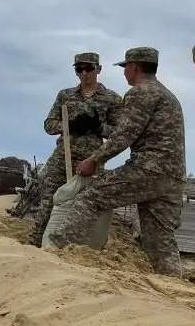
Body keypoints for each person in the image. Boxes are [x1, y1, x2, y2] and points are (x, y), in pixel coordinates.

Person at [48, 47, 186, 275]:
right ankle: (172, 289)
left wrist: (93, 159)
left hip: (148, 169)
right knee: (160, 241)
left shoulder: (141, 92)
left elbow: (124, 135)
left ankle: (57, 252)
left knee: (90, 197)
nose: (124, 73)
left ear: (135, 67)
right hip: (173, 178)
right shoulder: (168, 96)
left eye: (125, 67)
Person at [29, 53, 122, 246]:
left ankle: (77, 247)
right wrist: (69, 125)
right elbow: (48, 125)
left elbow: (120, 132)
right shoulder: (66, 95)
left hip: (92, 159)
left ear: (98, 69)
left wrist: (98, 128)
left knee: (85, 203)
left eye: (89, 68)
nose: (84, 73)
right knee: (49, 199)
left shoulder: (111, 99)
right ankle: (36, 243)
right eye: (79, 69)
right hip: (63, 156)